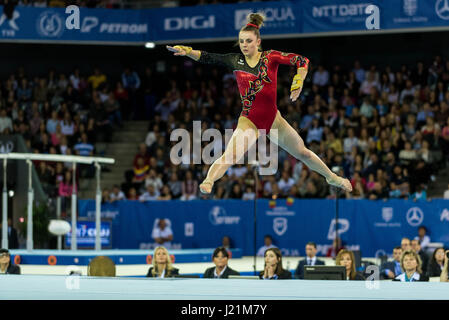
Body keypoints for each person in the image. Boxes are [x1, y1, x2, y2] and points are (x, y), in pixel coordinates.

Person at [167, 13, 352, 195]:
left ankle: (331, 177)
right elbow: (208, 57)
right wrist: (188, 52)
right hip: (250, 120)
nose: (244, 45)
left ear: (258, 42)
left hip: (273, 119)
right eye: (241, 41)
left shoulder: (270, 58)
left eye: (248, 41)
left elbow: (302, 61)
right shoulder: (234, 60)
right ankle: (209, 180)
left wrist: (300, 78)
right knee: (231, 156)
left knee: (302, 153)